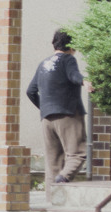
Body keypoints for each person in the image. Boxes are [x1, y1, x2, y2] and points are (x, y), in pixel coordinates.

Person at [26, 29, 89, 185]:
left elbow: (30, 91)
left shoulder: (43, 64)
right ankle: (64, 176)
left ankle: (52, 200)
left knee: (53, 163)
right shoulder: (68, 59)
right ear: (72, 45)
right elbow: (73, 75)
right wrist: (84, 81)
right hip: (68, 113)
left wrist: (45, 107)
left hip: (47, 118)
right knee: (78, 154)